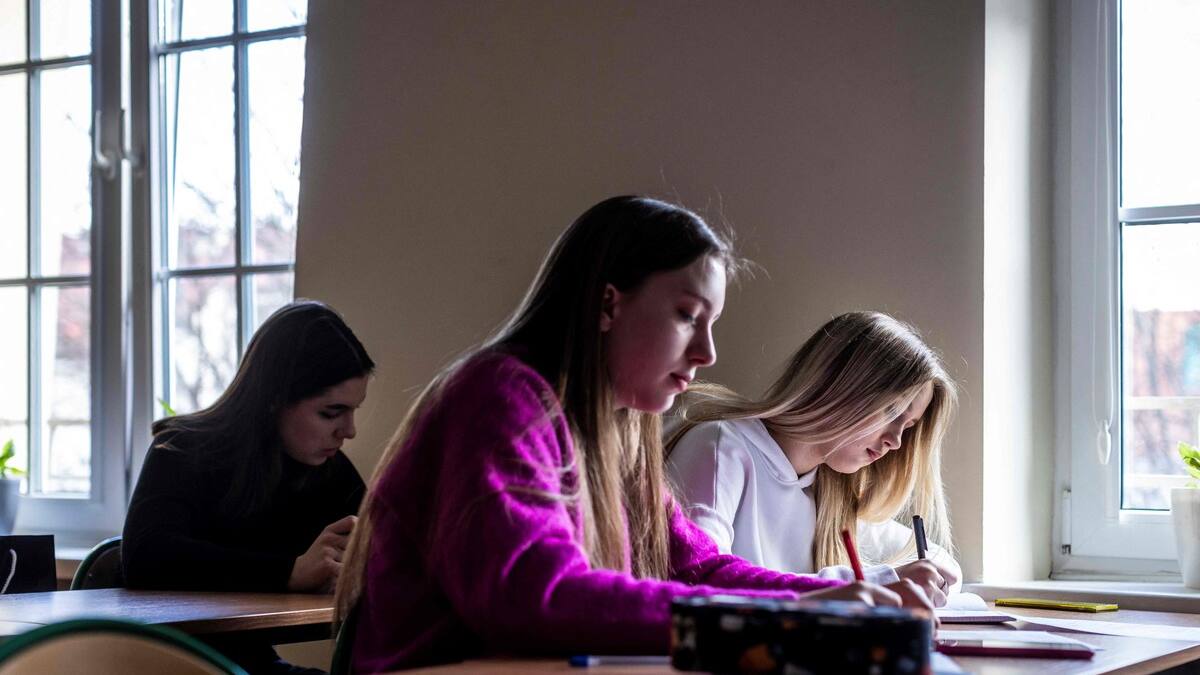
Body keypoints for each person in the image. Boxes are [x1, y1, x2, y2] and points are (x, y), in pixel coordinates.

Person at [335, 197, 934, 672]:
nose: (707, 352)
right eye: (688, 316)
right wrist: (790, 614)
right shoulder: (502, 395)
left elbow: (697, 569)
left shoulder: (620, 432)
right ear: (607, 304)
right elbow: (539, 598)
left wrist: (824, 602)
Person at [123, 299, 374, 674]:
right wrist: (290, 572)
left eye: (353, 410)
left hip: (248, 664)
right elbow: (145, 557)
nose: (349, 431)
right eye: (331, 413)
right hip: (161, 664)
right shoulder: (181, 449)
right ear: (274, 399)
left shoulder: (326, 469)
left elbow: (383, 544)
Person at [666, 311, 961, 606]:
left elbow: (943, 564)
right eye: (892, 411)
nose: (895, 441)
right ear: (840, 384)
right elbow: (698, 582)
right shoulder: (721, 448)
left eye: (907, 427)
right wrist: (880, 583)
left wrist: (926, 576)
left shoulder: (830, 492)